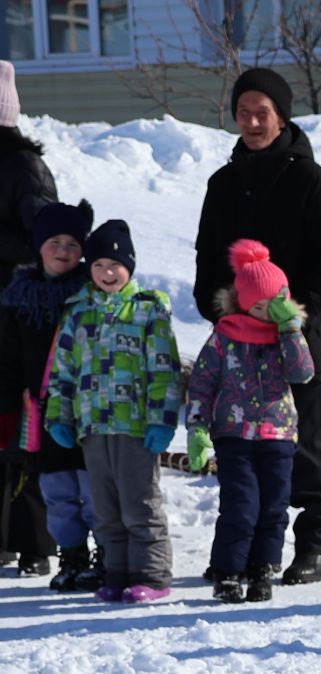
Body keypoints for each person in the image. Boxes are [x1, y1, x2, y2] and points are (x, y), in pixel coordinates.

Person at [194, 67, 321, 586]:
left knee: (306, 448)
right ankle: (245, 551)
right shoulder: (223, 184)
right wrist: (217, 306)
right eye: (243, 112)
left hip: (295, 342)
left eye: (261, 112)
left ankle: (315, 546)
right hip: (239, 346)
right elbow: (206, 257)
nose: (251, 121)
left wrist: (301, 307)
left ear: (281, 115)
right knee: (242, 458)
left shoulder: (314, 182)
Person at [46, 220, 180, 604]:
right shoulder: (78, 313)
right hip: (93, 427)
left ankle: (152, 577)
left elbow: (163, 371)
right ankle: (117, 574)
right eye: (99, 265)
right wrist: (60, 417)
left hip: (136, 427)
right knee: (105, 508)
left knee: (140, 505)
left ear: (129, 267)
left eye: (115, 266)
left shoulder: (147, 311)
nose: (107, 273)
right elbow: (63, 370)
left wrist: (162, 419)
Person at [184, 239, 315, 604]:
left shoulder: (286, 335)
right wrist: (196, 427)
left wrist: (291, 329)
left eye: (269, 304)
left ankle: (262, 569)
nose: (262, 312)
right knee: (240, 505)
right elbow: (202, 382)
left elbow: (303, 373)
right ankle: (227, 571)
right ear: (241, 301)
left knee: (274, 506)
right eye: (255, 304)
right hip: (233, 434)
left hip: (278, 434)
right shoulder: (225, 336)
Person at [0, 199, 95, 590]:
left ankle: (98, 552)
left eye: (72, 243)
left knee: (89, 484)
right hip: (34, 403)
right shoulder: (18, 296)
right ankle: (43, 549)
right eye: (54, 241)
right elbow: (7, 355)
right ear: (38, 246)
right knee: (40, 476)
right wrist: (8, 401)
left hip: (84, 403)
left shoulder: (90, 293)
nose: (62, 250)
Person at [0, 60, 58, 575]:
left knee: (23, 426)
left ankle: (34, 539)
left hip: (16, 314)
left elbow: (50, 242)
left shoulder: (23, 167)